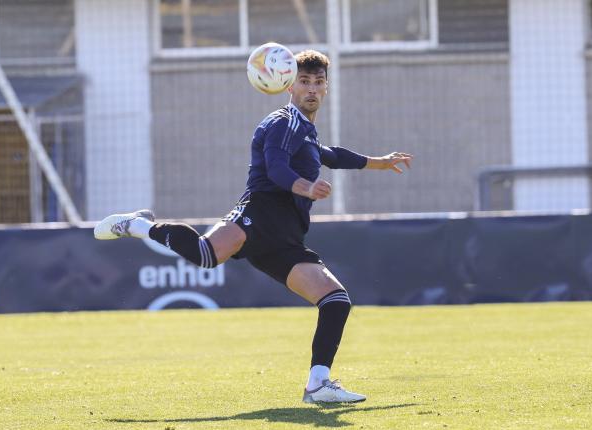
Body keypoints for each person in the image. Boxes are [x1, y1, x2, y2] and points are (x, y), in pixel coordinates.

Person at [94, 50, 413, 404]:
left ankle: (318, 385)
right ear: (288, 86)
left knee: (336, 301)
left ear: (326, 88)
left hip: (286, 235)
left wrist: (379, 163)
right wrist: (307, 187)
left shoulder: (304, 130)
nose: (311, 88)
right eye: (304, 82)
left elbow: (332, 154)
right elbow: (276, 168)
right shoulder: (281, 122)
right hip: (259, 212)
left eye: (318, 82)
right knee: (204, 255)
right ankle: (139, 225)